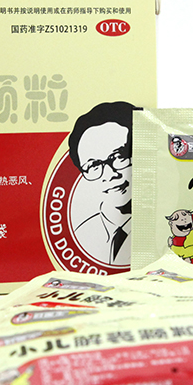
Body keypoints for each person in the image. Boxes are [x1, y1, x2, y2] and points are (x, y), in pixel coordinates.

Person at [67, 101, 136, 265]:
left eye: (119, 156)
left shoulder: (165, 229)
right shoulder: (82, 233)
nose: (110, 174)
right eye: (94, 166)